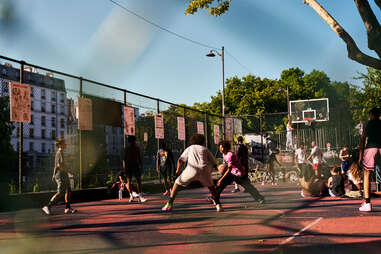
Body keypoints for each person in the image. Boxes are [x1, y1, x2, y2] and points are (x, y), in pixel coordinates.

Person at [161, 134, 222, 212]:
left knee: (176, 183)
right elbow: (214, 162)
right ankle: (218, 205)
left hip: (191, 169)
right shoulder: (205, 149)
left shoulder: (189, 148)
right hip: (204, 170)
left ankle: (169, 204)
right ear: (202, 141)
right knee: (211, 188)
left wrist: (178, 170)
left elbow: (180, 160)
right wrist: (217, 169)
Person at [42, 138, 76, 215]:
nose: (66, 145)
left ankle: (67, 208)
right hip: (61, 175)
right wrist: (69, 171)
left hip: (63, 174)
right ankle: (47, 206)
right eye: (64, 143)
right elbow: (59, 165)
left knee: (68, 190)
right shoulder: (60, 153)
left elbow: (55, 166)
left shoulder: (61, 153)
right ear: (60, 145)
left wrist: (53, 175)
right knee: (60, 192)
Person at [358, 107, 381, 212]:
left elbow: (362, 140)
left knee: (366, 174)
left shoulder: (368, 124)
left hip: (371, 148)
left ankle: (367, 203)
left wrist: (360, 156)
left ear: (371, 115)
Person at [123, 135, 147, 203]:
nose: (133, 142)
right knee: (129, 181)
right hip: (128, 166)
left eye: (134, 141)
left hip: (135, 165)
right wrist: (124, 168)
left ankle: (140, 196)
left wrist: (141, 166)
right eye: (132, 141)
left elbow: (139, 158)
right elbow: (124, 159)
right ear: (130, 141)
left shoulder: (137, 148)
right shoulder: (127, 149)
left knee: (138, 180)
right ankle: (131, 195)